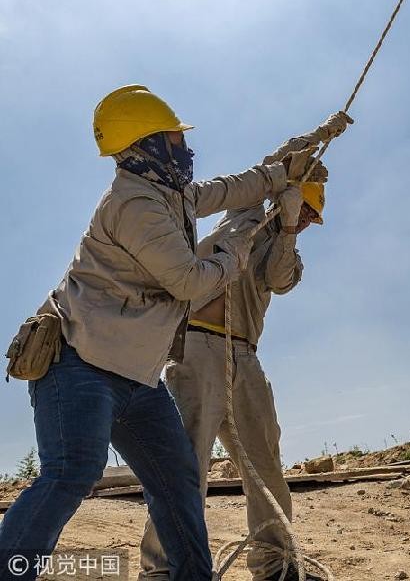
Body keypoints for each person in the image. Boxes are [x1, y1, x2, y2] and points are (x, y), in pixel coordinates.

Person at [0, 85, 347, 581]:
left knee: (178, 479)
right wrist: (234, 254)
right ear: (148, 146)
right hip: (80, 364)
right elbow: (188, 280)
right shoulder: (135, 204)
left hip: (136, 376)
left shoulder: (171, 195)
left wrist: (288, 165)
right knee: (71, 473)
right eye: (175, 140)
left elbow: (229, 189)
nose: (185, 149)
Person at [139, 174, 327, 581]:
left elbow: (279, 278)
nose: (310, 219)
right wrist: (298, 163)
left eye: (312, 214)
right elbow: (261, 176)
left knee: (266, 464)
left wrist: (290, 226)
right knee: (184, 466)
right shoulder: (243, 218)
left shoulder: (288, 251)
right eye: (307, 209)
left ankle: (275, 567)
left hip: (244, 355)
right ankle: (162, 570)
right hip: (195, 352)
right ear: (280, 198)